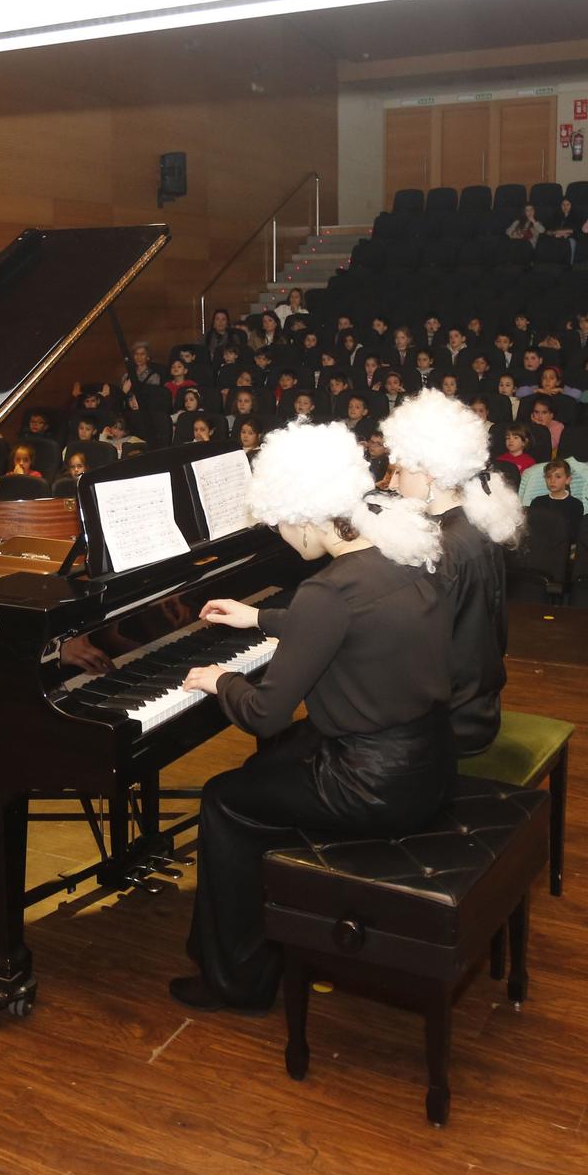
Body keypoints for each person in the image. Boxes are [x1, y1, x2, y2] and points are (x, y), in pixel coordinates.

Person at [172, 424, 451, 1012]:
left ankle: (237, 982)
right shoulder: (399, 556)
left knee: (225, 797)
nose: (282, 537)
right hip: (426, 758)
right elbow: (345, 622)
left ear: (304, 518)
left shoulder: (327, 591)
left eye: (280, 525)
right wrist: (259, 620)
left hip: (367, 784)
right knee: (274, 765)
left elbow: (266, 714)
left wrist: (218, 679)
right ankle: (275, 924)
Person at [383, 391, 526, 756]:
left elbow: (409, 649)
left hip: (447, 725)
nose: (393, 484)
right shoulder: (474, 524)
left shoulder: (442, 547)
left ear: (429, 473)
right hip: (477, 707)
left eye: (399, 470)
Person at [529, 460, 585, 539]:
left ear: (568, 480)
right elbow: (531, 530)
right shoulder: (538, 502)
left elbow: (574, 534)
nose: (552, 481)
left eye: (558, 476)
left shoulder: (575, 505)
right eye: (549, 477)